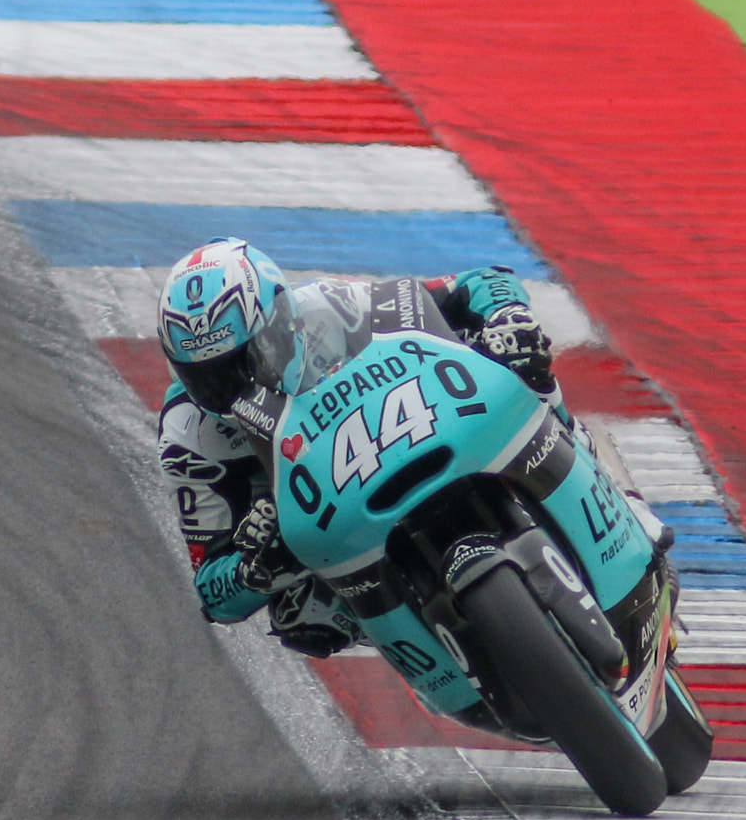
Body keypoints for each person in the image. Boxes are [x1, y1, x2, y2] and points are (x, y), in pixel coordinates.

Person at [154, 237, 562, 657]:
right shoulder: (190, 433)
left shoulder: (335, 307)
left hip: (423, 426)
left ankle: (578, 455)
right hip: (331, 528)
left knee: (520, 359)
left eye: (246, 362)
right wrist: (256, 569)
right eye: (210, 378)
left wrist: (507, 316)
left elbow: (480, 282)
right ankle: (447, 662)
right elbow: (211, 592)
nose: (232, 389)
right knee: (302, 615)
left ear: (281, 322)